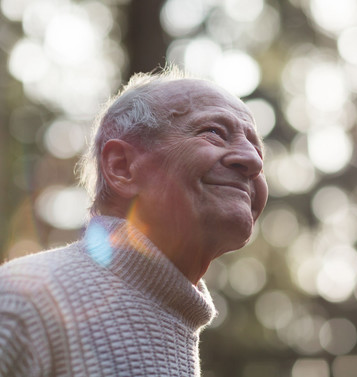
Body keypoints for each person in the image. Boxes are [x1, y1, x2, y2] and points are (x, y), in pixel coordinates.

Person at [0, 67, 268, 376]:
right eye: (214, 133)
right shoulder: (24, 303)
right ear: (122, 166)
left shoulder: (177, 320)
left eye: (256, 146)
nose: (253, 160)